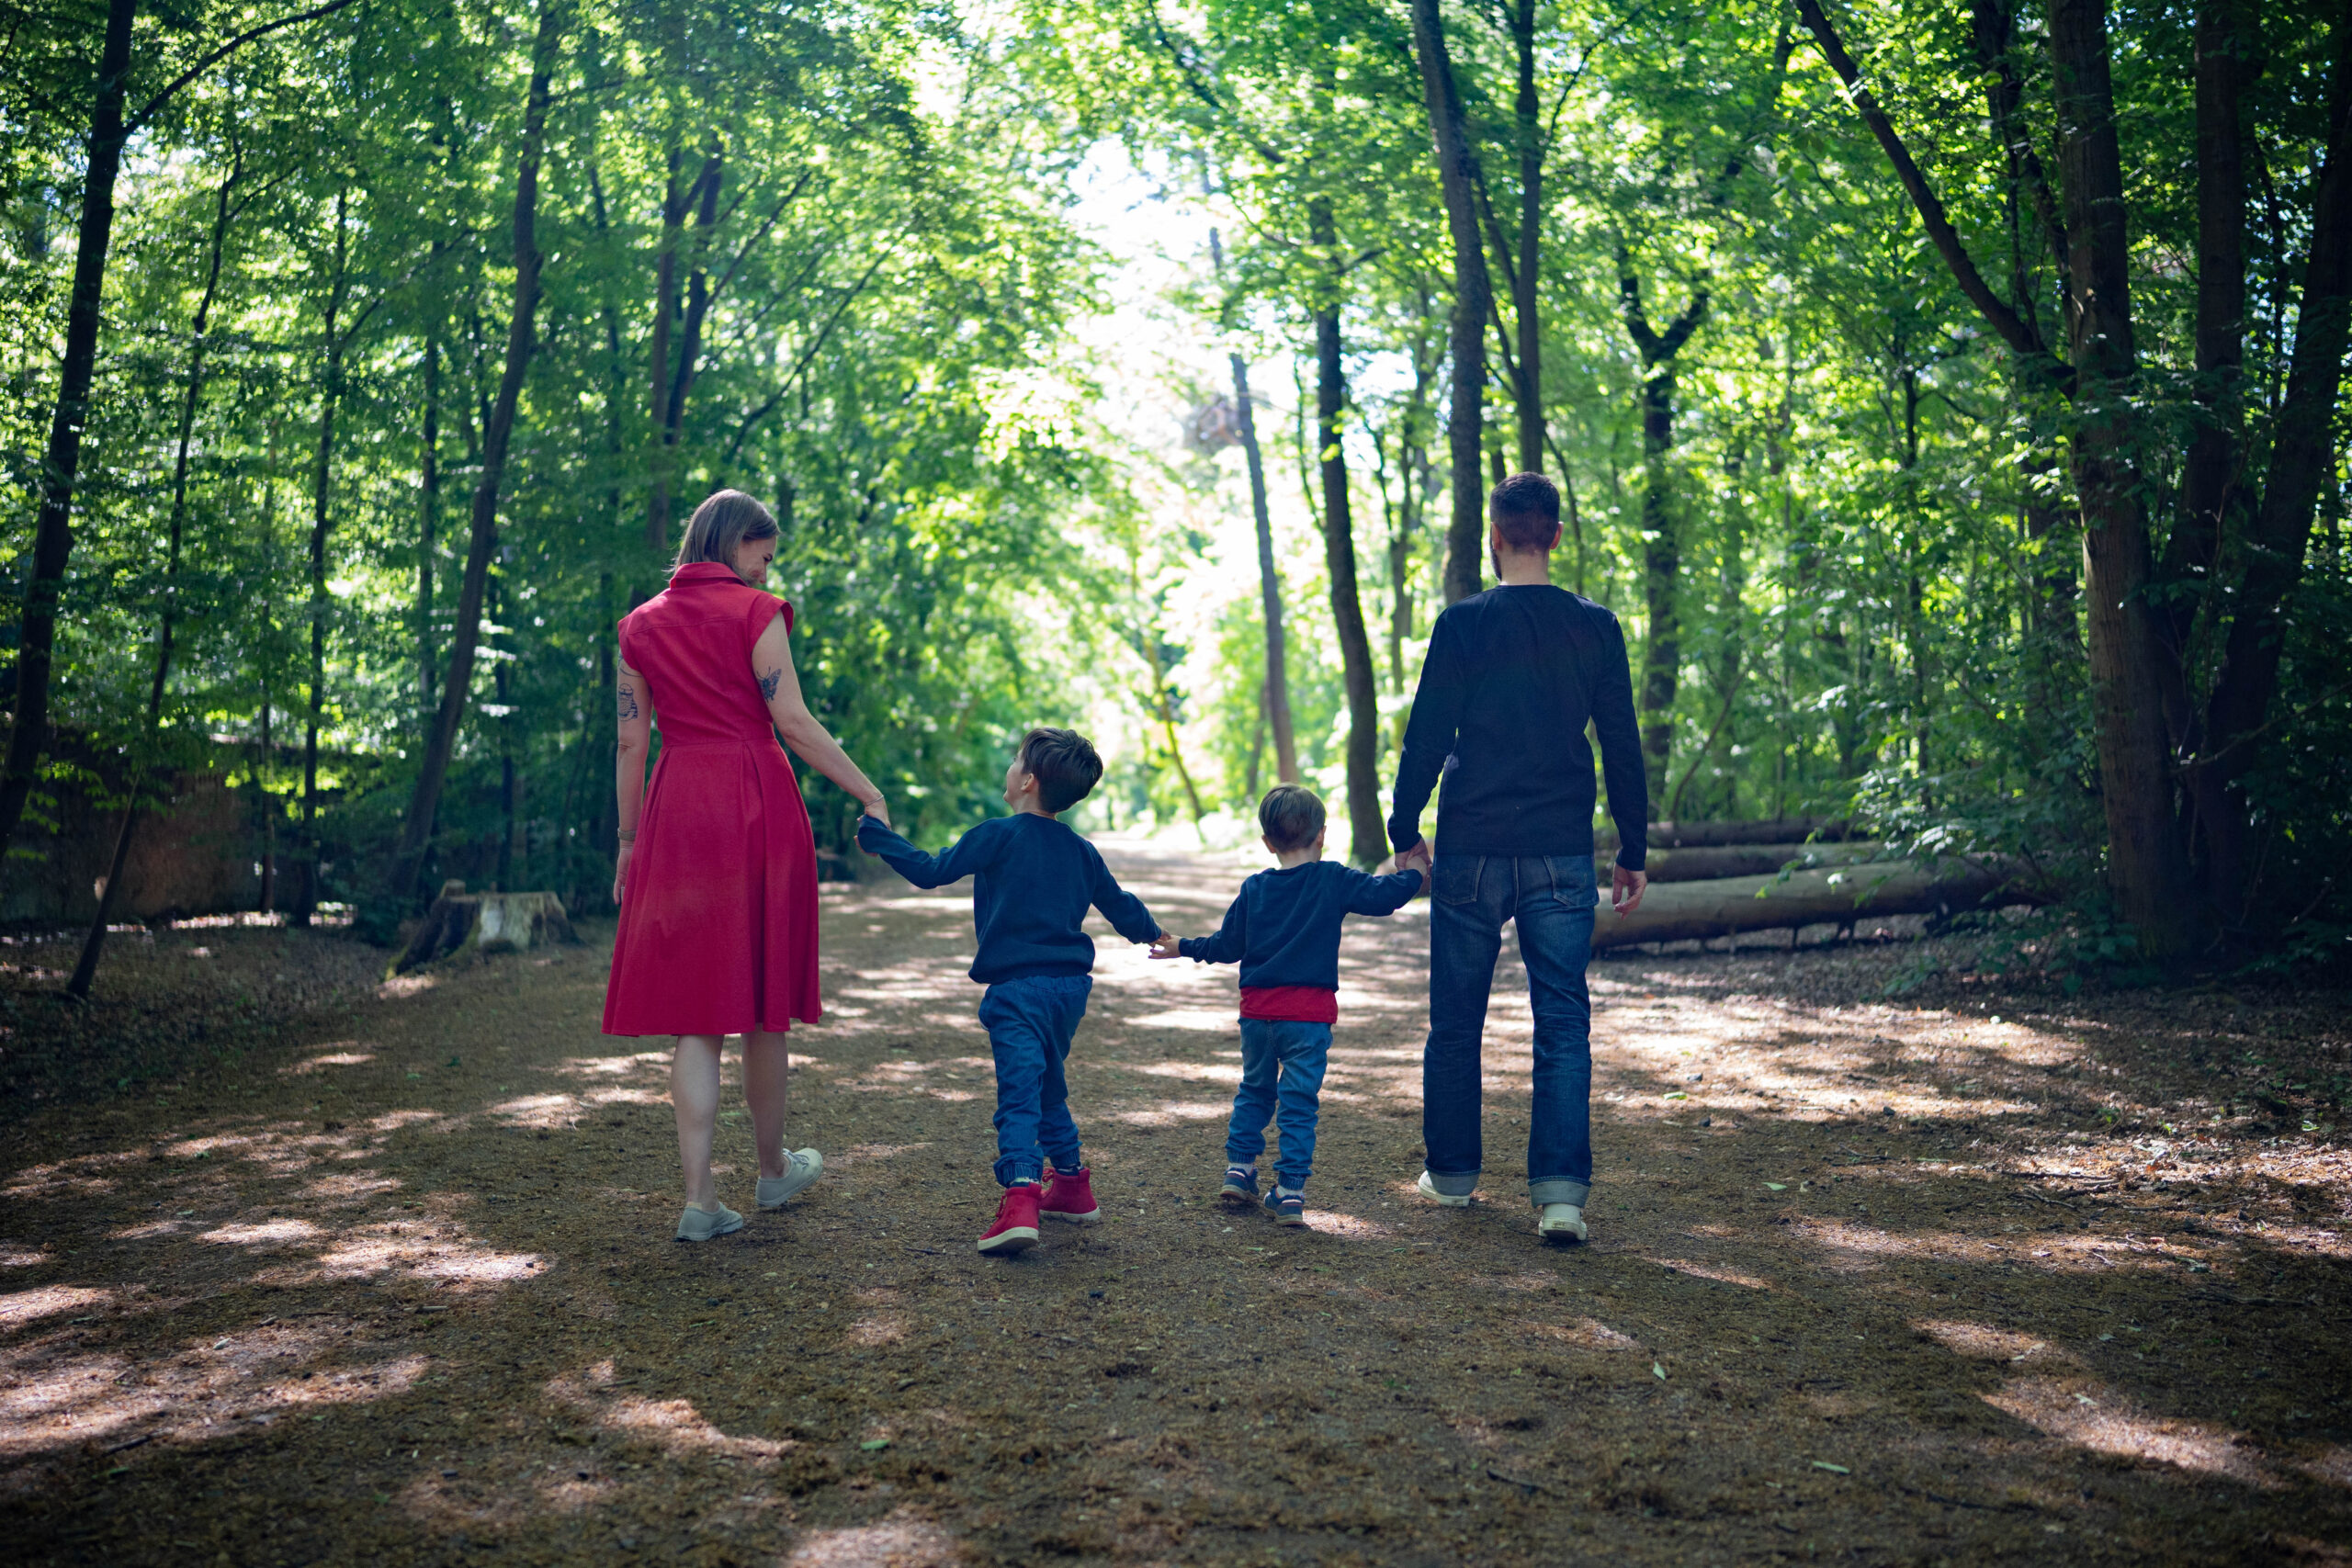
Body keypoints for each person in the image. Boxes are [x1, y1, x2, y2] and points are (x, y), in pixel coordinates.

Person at [603, 490, 891, 1243]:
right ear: (736, 542)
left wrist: (629, 842)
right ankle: (771, 1171)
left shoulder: (637, 627)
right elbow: (790, 720)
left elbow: (633, 745)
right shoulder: (757, 614)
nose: (768, 567)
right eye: (764, 552)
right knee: (761, 1001)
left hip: (676, 811)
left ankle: (699, 1197)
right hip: (754, 803)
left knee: (697, 1015)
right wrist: (867, 790)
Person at [1388, 472, 1649, 1246]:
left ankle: (1455, 1176)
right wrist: (1632, 847)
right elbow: (1623, 743)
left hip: (1471, 844)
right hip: (1561, 850)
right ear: (1556, 537)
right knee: (1562, 1020)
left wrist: (1406, 828)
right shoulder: (1594, 626)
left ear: (1494, 538)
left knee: (1455, 1020)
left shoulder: (1461, 624)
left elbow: (1426, 735)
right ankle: (1562, 1195)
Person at [855, 728, 1164, 1256]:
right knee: (1044, 1085)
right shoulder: (1082, 850)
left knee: (1020, 1092)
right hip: (1068, 992)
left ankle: (1021, 1195)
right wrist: (1157, 936)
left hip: (1017, 991)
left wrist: (880, 837)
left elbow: (931, 872)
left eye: (1016, 758)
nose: (1010, 765)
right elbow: (1121, 905)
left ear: (1027, 780)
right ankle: (1070, 1184)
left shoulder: (997, 834)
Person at [1149, 784, 1425, 1226]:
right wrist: (1413, 872)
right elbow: (1384, 896)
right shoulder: (1332, 878)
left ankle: (1239, 1170)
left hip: (1257, 1015)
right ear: (1321, 837)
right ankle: (1290, 1192)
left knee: (1255, 1089)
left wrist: (1183, 946)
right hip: (1309, 1018)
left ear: (1267, 843)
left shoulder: (1255, 887)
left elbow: (1227, 945)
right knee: (1299, 1102)